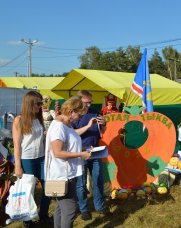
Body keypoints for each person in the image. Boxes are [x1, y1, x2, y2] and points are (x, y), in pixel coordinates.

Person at [45, 96, 91, 227]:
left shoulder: (66, 125)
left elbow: (68, 145)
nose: (80, 118)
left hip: (67, 173)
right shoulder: (59, 127)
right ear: (71, 111)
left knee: (61, 208)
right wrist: (81, 154)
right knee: (70, 210)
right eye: (80, 115)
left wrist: (82, 150)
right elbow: (57, 152)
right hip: (61, 175)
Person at [12, 91, 52, 227]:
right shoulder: (19, 120)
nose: (41, 106)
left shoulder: (39, 118)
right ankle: (27, 221)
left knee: (49, 186)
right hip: (26, 159)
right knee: (29, 190)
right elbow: (16, 145)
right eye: (38, 103)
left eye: (41, 103)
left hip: (41, 158)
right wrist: (18, 166)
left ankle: (43, 215)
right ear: (29, 104)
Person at [72, 90, 110, 221]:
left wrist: (103, 124)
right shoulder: (74, 114)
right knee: (81, 183)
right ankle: (83, 209)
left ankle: (99, 206)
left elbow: (101, 131)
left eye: (90, 102)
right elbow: (73, 133)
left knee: (98, 179)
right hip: (80, 152)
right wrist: (88, 126)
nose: (89, 105)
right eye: (86, 102)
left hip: (96, 149)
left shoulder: (94, 111)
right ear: (79, 101)